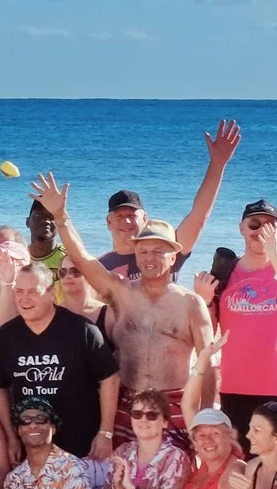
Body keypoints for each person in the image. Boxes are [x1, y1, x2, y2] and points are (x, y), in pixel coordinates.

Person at [30, 176, 208, 441]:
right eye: (144, 251)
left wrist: (207, 414)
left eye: (158, 251)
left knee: (175, 478)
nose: (149, 258)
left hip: (175, 403)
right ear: (136, 254)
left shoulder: (191, 303)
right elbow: (82, 259)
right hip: (128, 404)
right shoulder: (121, 294)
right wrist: (61, 217)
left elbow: (207, 363)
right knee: (122, 478)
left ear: (173, 257)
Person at [0, 261, 118, 462]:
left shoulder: (82, 331)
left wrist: (105, 433)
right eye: (19, 291)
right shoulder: (6, 336)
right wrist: (11, 436)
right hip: (31, 446)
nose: (24, 299)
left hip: (81, 445)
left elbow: (110, 379)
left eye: (33, 291)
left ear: (51, 293)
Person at [206, 200, 277, 424]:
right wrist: (205, 300)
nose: (261, 231)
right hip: (235, 390)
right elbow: (207, 331)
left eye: (269, 226)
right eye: (254, 225)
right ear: (242, 228)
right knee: (240, 458)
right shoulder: (226, 273)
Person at [92, 119, 241, 275]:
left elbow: (199, 216)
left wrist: (217, 164)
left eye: (131, 215)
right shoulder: (99, 266)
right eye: (119, 216)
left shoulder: (166, 252)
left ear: (145, 219)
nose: (126, 221)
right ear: (109, 222)